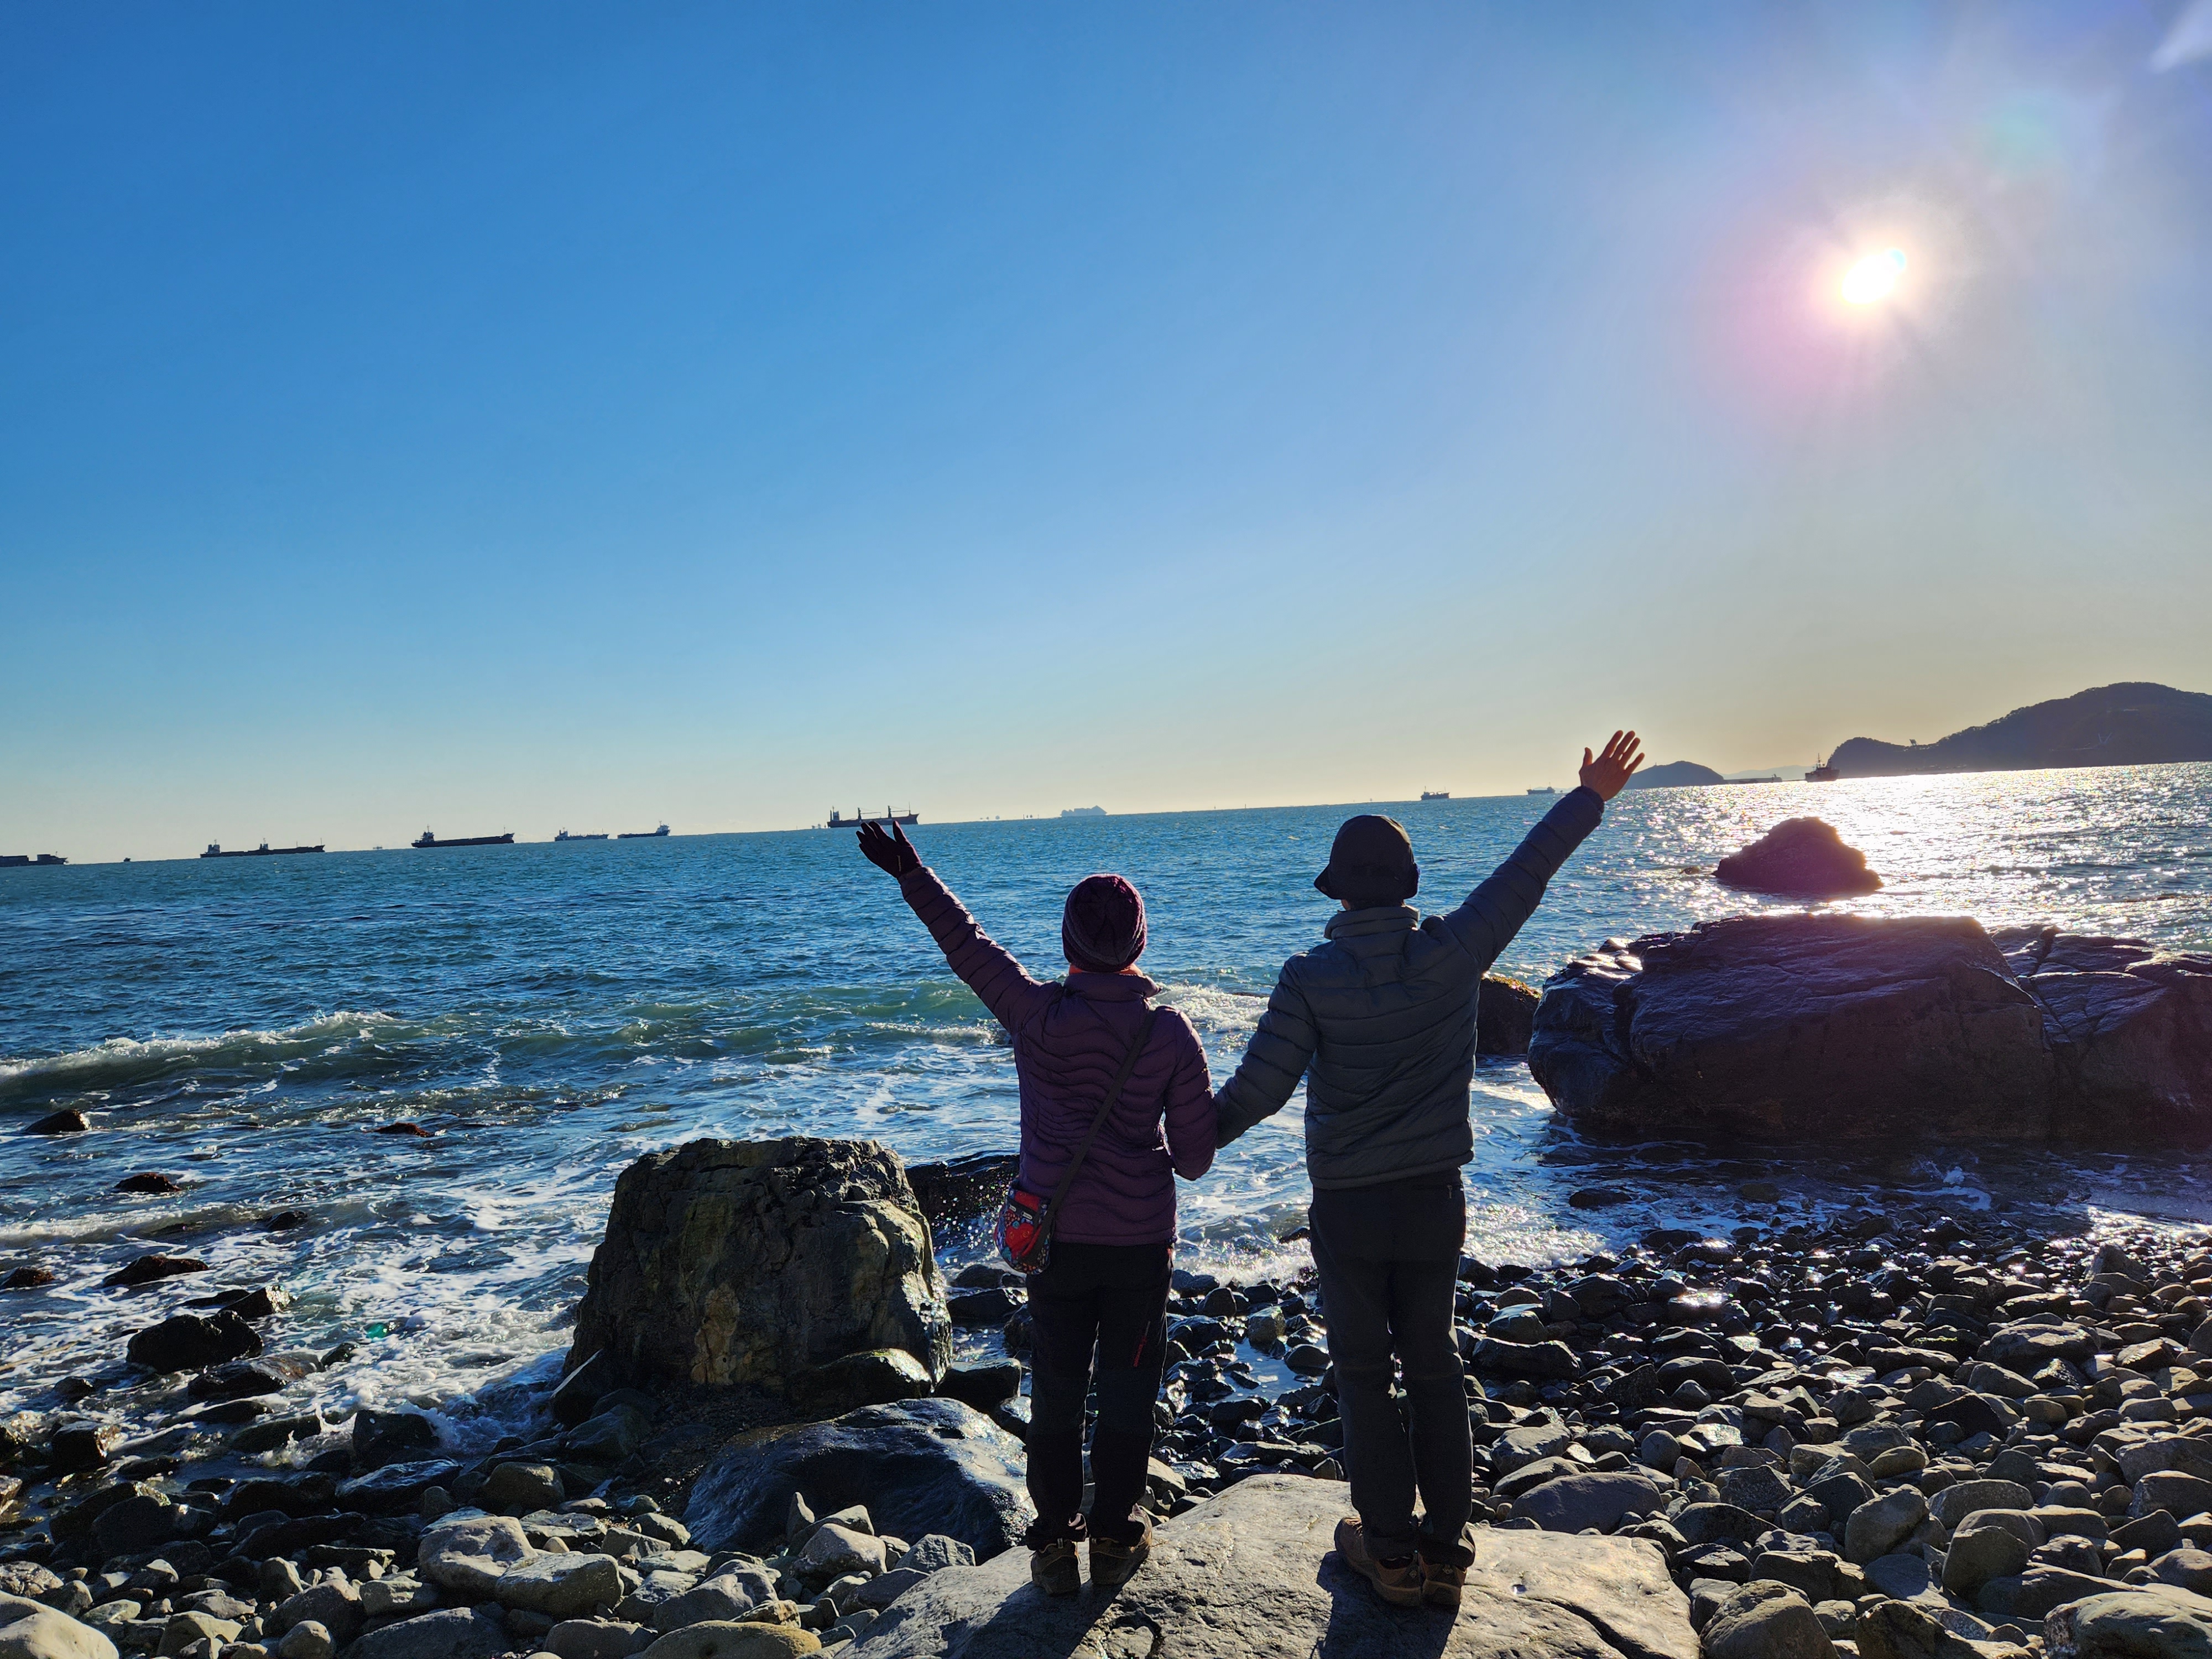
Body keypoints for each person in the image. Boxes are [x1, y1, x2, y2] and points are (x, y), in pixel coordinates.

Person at [1212, 731, 1645, 1610]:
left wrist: (1179, 1145)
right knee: (1435, 1362)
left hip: (1348, 1207)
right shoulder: (1454, 954)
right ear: (1408, 887)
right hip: (1433, 1198)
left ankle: (1388, 1551)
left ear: (1338, 892)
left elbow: (1257, 1090)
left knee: (1362, 1372)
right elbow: (1527, 873)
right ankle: (1445, 1550)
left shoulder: (1308, 978)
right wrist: (1590, 796)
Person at [854, 818, 1215, 1596]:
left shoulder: (1035, 1013)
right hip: (1140, 1244)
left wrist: (911, 872)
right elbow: (1194, 1159)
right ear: (1141, 943)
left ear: (1067, 943)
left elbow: (967, 946)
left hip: (1055, 1237)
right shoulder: (1170, 1033)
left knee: (1056, 1383)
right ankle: (1115, 1532)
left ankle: (1053, 1540)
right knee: (1129, 1386)